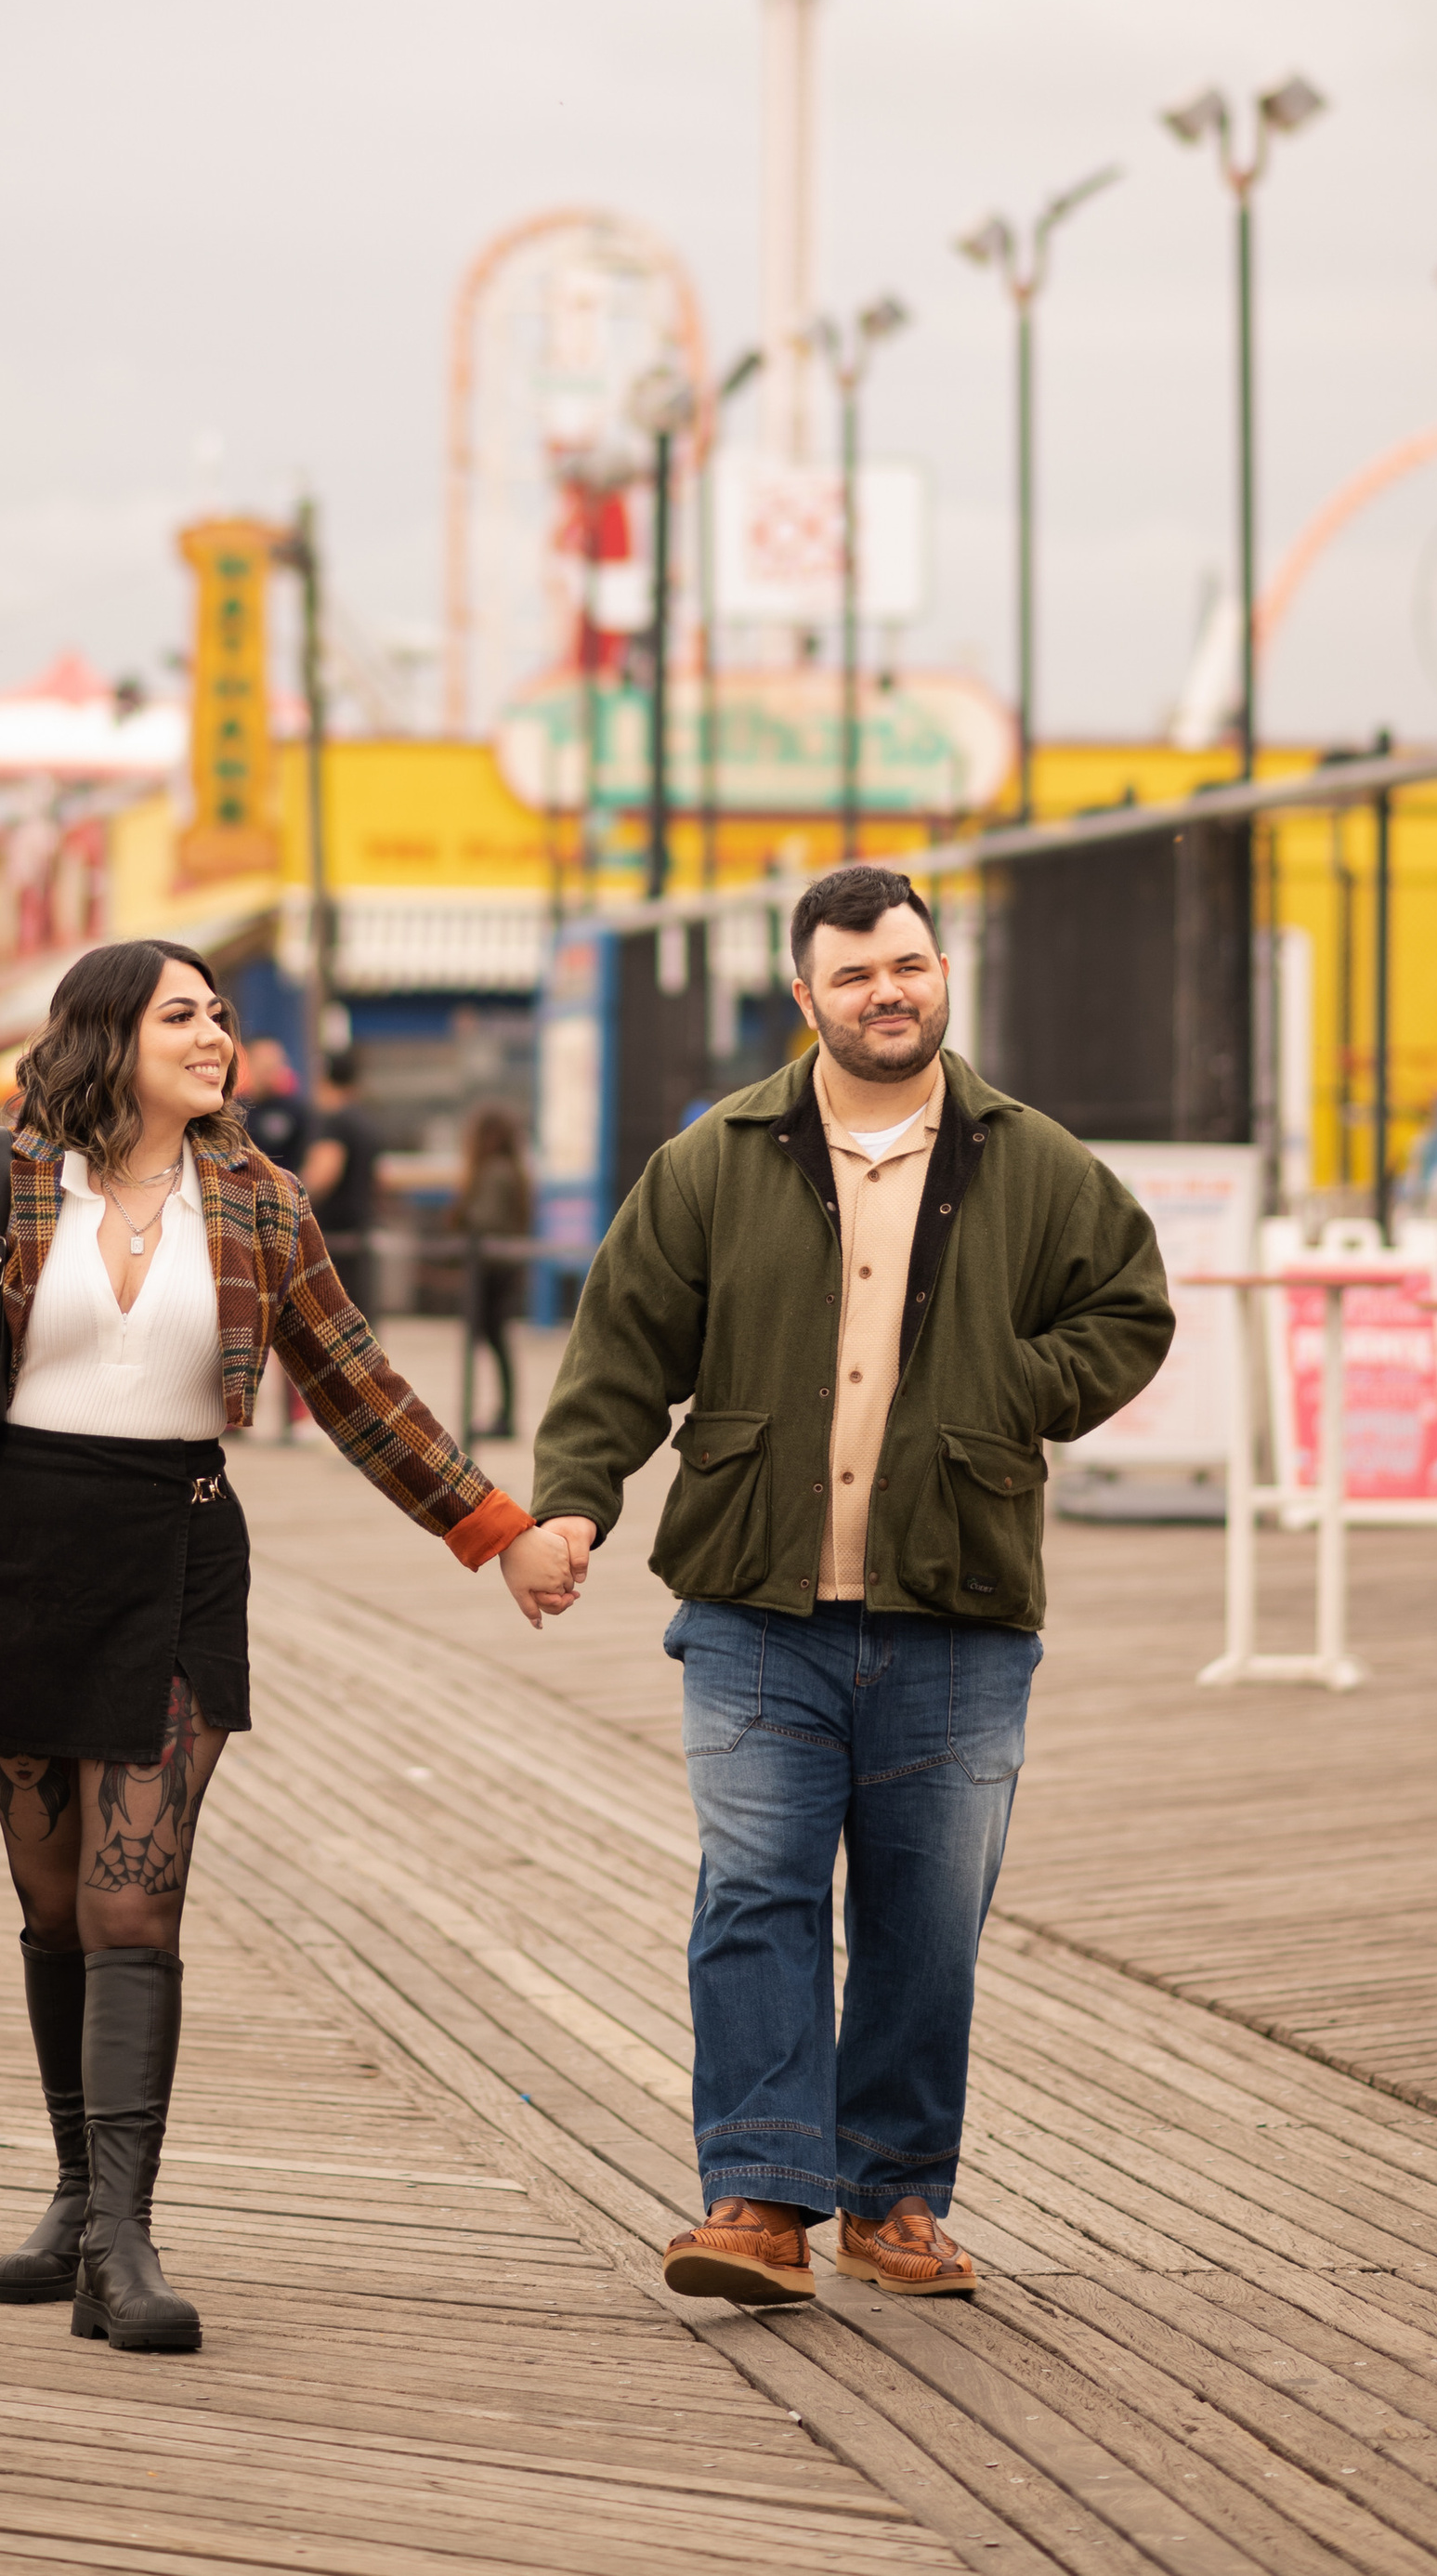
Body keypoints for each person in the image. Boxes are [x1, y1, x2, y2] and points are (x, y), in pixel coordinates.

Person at [0, 938, 579, 2353]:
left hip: (176, 1556)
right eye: (185, 1013)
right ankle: (71, 2188)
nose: (218, 1034)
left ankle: (123, 2235)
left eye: (222, 1014)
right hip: (15, 1558)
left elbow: (358, 1382)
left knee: (132, 1904)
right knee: (54, 1907)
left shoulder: (257, 1197)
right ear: (106, 1034)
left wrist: (495, 1528)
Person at [525, 863, 1172, 2308]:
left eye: (913, 965)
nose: (893, 991)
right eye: (860, 972)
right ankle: (756, 2198)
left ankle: (892, 2196)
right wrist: (572, 1506)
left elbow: (1131, 1303)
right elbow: (621, 1346)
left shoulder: (1033, 1156)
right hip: (757, 1604)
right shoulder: (714, 1158)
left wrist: (1021, 1386)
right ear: (805, 993)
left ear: (943, 976)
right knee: (753, 1892)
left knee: (926, 1913)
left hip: (960, 1608)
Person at [451, 1106, 531, 1442]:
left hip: (491, 1269)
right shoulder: (511, 1169)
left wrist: (462, 1215)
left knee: (493, 1340)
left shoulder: (495, 1171)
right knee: (497, 1341)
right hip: (500, 1267)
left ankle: (503, 1417)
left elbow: (484, 1219)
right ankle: (503, 1415)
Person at [301, 1050, 383, 1329]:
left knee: (330, 1323)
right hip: (360, 1230)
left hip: (333, 1237)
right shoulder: (365, 1122)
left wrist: (289, 1196)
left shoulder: (334, 1122)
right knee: (358, 1321)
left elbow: (324, 1174)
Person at [235, 1035, 311, 1175]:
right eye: (265, 1064)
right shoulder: (233, 1110)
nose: (271, 1069)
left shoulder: (296, 1111)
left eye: (276, 1062)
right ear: (249, 1062)